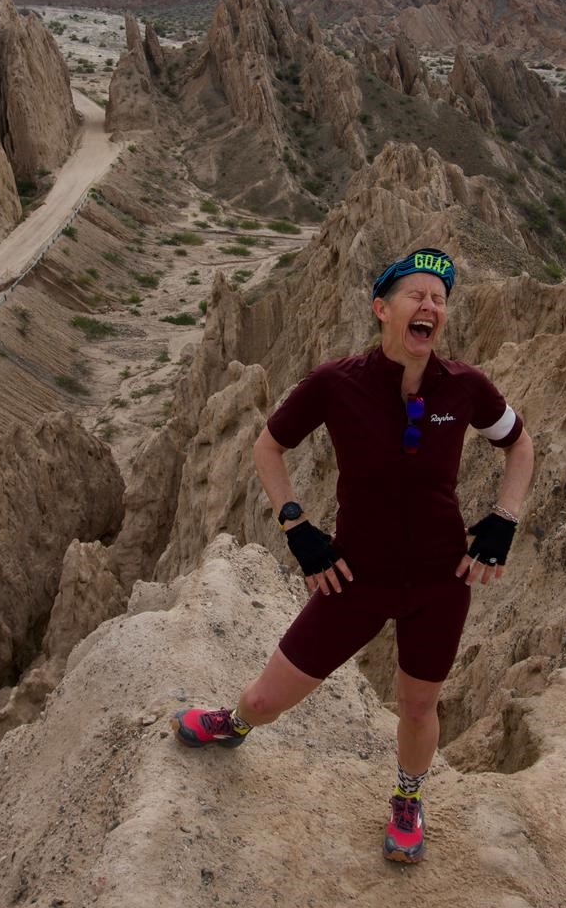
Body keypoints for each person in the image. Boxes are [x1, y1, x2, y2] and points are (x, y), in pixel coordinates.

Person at [171, 247, 534, 864]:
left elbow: (520, 447)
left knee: (418, 706)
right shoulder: (335, 384)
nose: (430, 305)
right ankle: (234, 723)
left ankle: (408, 799)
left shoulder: (466, 387)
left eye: (440, 299)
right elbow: (267, 447)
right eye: (417, 295)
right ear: (382, 309)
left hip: (439, 582)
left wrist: (505, 518)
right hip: (355, 578)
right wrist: (297, 526)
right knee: (265, 700)